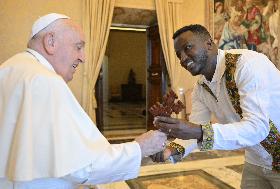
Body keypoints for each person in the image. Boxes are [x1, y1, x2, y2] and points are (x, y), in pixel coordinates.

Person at [0, 13, 167, 189]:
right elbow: (83, 165)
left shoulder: (9, 68)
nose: (83, 57)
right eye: (78, 47)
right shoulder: (45, 80)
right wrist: (140, 148)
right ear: (51, 42)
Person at [151, 24, 280, 188]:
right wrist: (169, 151)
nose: (183, 59)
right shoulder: (201, 88)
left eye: (188, 48)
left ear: (209, 43)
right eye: (179, 55)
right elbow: (195, 129)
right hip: (256, 160)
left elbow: (257, 127)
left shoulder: (247, 65)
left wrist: (198, 131)